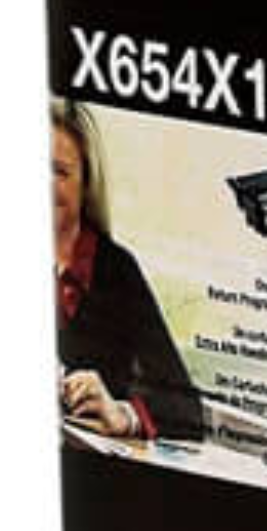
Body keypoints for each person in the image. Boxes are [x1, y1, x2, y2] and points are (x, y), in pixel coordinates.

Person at [53, 99, 203, 442]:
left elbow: (187, 412)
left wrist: (123, 416)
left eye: (59, 171)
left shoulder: (116, 271)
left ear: (86, 184)